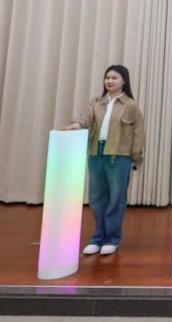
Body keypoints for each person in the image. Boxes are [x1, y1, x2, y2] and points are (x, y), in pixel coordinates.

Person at [61, 65, 145, 256]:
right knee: (97, 198)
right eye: (107, 77)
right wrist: (76, 125)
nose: (110, 81)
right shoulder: (96, 103)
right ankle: (97, 238)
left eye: (115, 78)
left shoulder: (130, 105)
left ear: (124, 81)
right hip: (96, 153)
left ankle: (112, 239)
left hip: (119, 156)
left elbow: (138, 134)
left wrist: (136, 158)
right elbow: (86, 119)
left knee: (116, 198)